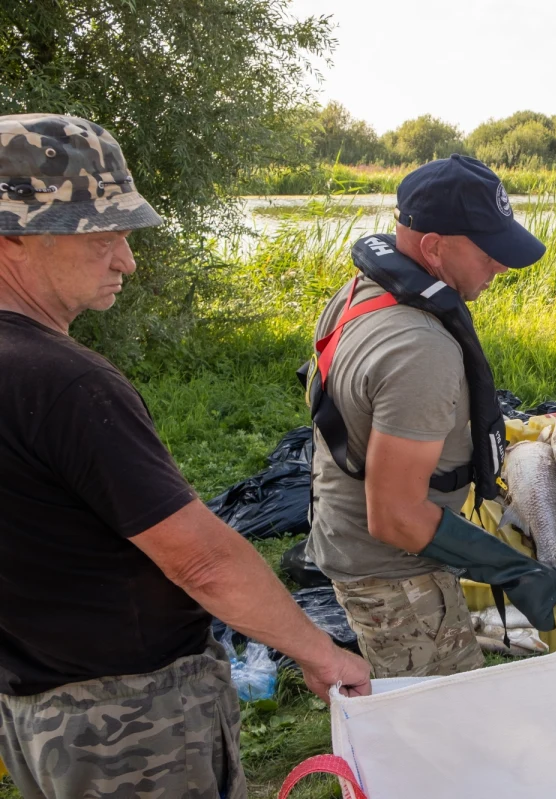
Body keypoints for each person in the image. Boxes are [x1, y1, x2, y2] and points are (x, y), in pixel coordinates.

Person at [0, 114, 371, 799]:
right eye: (104, 234)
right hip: (128, 722)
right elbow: (198, 557)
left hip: (35, 708)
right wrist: (318, 651)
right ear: (15, 236)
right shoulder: (62, 382)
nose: (127, 260)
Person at [307, 154, 556, 679]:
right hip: (391, 570)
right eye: (489, 251)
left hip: (351, 536)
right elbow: (396, 516)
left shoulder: (361, 292)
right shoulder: (420, 348)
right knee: (445, 720)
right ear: (432, 246)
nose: (501, 265)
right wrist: (511, 569)